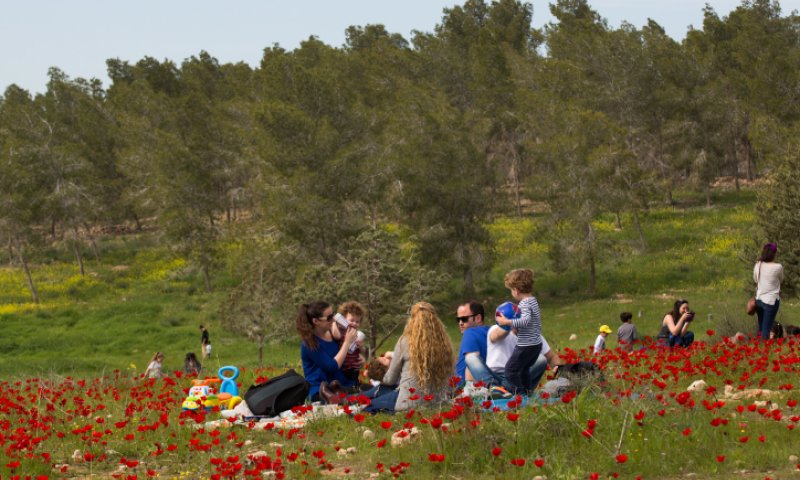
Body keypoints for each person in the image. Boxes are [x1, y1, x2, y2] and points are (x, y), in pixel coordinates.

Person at [368, 302, 454, 413]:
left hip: (409, 403)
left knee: (370, 404)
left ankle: (348, 401)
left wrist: (377, 376)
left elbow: (390, 380)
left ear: (412, 320)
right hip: (437, 403)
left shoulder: (405, 341)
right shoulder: (444, 344)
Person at [296, 301, 358, 402]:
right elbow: (331, 366)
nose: (333, 319)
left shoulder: (333, 334)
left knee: (374, 391)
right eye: (329, 318)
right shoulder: (309, 343)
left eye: (333, 315)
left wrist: (360, 358)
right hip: (319, 389)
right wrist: (347, 342)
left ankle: (341, 394)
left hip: (341, 384)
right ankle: (335, 397)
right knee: (363, 396)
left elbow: (344, 357)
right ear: (316, 321)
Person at [496, 268, 543, 394]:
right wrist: (517, 328)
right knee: (523, 369)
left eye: (511, 290)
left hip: (526, 345)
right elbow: (530, 322)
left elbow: (526, 320)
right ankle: (527, 393)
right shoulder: (533, 300)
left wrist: (508, 322)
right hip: (535, 345)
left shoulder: (524, 303)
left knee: (510, 370)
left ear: (516, 291)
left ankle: (520, 395)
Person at [330, 301, 367, 384]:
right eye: (352, 320)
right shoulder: (342, 331)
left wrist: (361, 347)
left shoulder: (357, 334)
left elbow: (362, 351)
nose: (354, 323)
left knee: (354, 383)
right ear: (343, 319)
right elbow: (336, 336)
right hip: (344, 366)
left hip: (354, 367)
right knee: (345, 385)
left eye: (357, 322)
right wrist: (335, 322)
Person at [454, 301, 490, 383]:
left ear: (478, 318)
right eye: (458, 319)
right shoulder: (491, 333)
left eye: (464, 319)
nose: (460, 323)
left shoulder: (470, 333)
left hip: (470, 391)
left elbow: (472, 363)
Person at [754, 242, 783, 341]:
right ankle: (764, 349)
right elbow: (781, 279)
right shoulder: (778, 267)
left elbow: (755, 279)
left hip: (759, 300)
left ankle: (756, 347)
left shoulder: (758, 265)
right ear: (774, 254)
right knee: (767, 329)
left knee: (761, 327)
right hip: (771, 301)